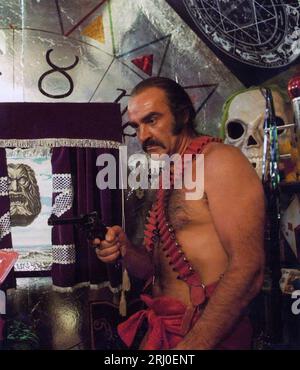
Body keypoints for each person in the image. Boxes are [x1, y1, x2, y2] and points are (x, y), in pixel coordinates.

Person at [93, 77, 265, 350]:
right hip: (165, 330)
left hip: (207, 336)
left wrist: (189, 348)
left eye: (152, 120)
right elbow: (157, 270)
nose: (142, 136)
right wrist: (125, 249)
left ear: (183, 114)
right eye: (136, 126)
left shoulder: (221, 161)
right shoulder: (171, 173)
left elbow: (249, 269)